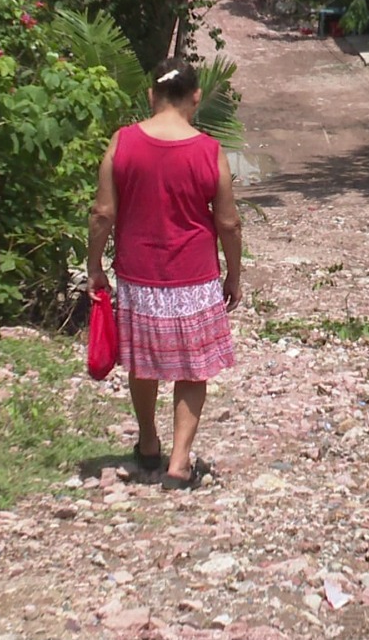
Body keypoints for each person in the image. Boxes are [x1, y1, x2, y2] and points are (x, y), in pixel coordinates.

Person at [88, 56, 243, 490]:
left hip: (138, 278)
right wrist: (233, 275)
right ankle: (179, 461)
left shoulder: (122, 142)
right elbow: (228, 223)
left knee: (144, 362)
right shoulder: (209, 151)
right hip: (195, 279)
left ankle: (149, 442)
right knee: (193, 370)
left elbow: (102, 213)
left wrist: (95, 266)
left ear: (151, 95)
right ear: (196, 97)